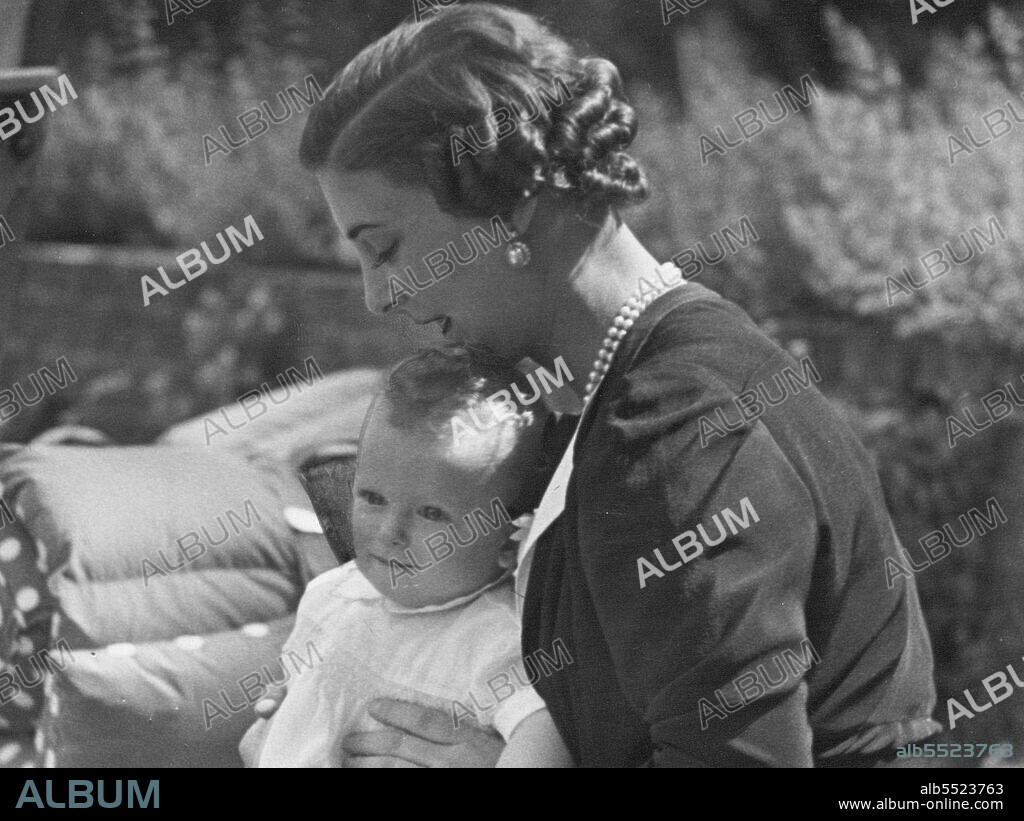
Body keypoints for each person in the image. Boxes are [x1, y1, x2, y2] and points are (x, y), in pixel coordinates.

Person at [276, 2, 941, 767]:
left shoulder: (668, 433)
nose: (377, 294)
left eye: (384, 246)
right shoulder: (638, 372)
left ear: (514, 206)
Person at [240, 346, 573, 768]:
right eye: (373, 498)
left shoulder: (501, 643)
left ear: (511, 540)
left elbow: (543, 744)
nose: (389, 533)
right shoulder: (331, 594)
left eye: (431, 513)